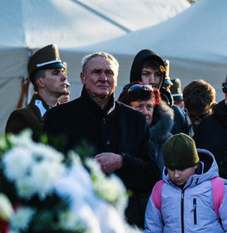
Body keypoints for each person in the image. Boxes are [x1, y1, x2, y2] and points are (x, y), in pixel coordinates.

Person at [42, 52, 158, 198]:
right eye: (97, 72)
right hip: (74, 208)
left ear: (116, 79)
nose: (103, 78)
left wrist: (122, 161)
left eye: (109, 73)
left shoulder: (135, 120)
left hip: (122, 210)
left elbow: (152, 175)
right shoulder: (58, 117)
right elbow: (46, 170)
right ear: (83, 78)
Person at [7, 44, 69, 136]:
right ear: (40, 82)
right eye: (56, 73)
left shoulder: (69, 115)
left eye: (62, 72)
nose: (64, 77)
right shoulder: (23, 118)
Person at [118, 82, 173, 170]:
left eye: (149, 107)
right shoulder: (116, 136)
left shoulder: (168, 141)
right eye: (139, 107)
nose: (145, 112)